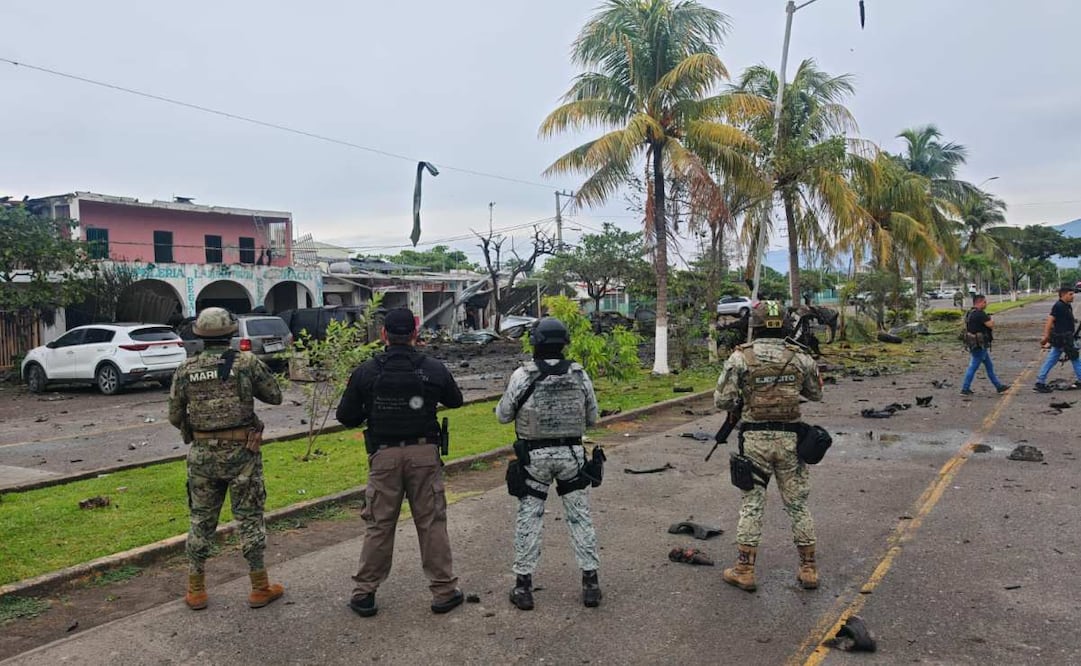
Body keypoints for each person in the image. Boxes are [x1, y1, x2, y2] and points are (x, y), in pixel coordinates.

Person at [336, 307, 465, 617]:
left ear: (383, 335)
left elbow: (346, 417)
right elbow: (456, 400)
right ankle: (444, 591)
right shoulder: (432, 369)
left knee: (379, 524)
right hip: (424, 455)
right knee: (432, 523)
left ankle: (364, 593)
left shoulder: (366, 371)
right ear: (414, 335)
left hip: (384, 457)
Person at [167, 307, 284, 610]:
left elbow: (175, 415)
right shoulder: (246, 363)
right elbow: (275, 395)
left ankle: (196, 590)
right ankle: (260, 588)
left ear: (199, 335)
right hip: (242, 453)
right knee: (249, 518)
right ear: (233, 332)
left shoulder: (185, 369)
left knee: (201, 520)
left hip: (202, 456)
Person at [714, 301, 823, 593]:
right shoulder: (800, 357)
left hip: (756, 441)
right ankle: (809, 568)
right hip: (790, 440)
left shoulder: (741, 358)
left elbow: (722, 400)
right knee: (798, 504)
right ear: (785, 324)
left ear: (757, 324)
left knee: (752, 504)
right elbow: (815, 394)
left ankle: (744, 570)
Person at [496, 317, 602, 610]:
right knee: (580, 517)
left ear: (535, 343)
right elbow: (593, 418)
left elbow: (503, 415)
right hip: (571, 457)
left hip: (534, 459)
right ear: (565, 343)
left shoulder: (522, 375)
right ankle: (591, 583)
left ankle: (523, 587)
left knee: (529, 518)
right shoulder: (580, 374)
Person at [1034, 286, 1081, 393]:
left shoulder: (1067, 306)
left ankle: (1040, 381)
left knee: (1053, 360)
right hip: (1062, 339)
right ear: (1063, 295)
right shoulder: (1058, 306)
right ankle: (1039, 382)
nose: (1073, 296)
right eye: (1070, 294)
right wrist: (1046, 337)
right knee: (1075, 359)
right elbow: (1049, 321)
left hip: (1066, 338)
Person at [960, 294, 1009, 396]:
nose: (986, 304)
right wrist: (990, 319)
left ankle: (998, 386)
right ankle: (965, 388)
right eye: (984, 302)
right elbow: (990, 325)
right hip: (979, 345)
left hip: (975, 344)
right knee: (973, 367)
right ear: (979, 302)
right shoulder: (980, 314)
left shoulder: (970, 313)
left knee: (989, 366)